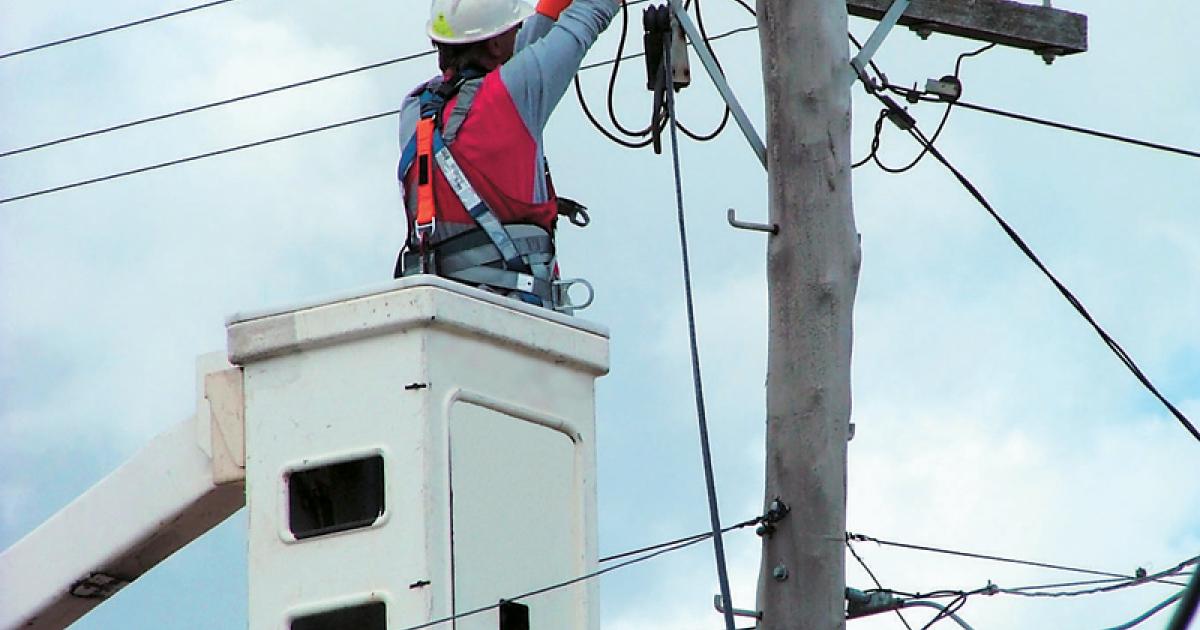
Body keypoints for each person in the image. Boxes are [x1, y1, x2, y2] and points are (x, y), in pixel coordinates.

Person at [394, 0, 620, 310]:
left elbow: (516, 66)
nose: (521, 32)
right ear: (497, 44)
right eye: (516, 28)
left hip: (442, 304)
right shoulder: (514, 92)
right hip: (516, 310)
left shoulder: (416, 108)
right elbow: (589, 14)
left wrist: (549, 11)